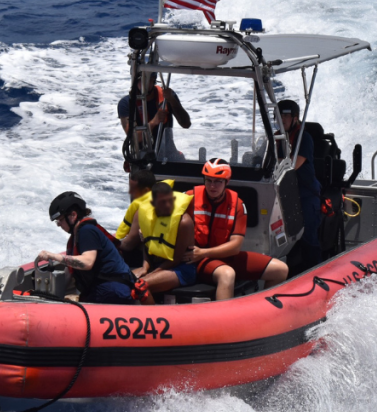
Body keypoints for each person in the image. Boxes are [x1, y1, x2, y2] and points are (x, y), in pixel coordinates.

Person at [185, 158, 288, 299]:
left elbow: (235, 247)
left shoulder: (237, 205)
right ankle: (223, 320)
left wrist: (204, 252)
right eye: (208, 180)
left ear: (226, 182)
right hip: (197, 259)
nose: (212, 186)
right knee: (227, 274)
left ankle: (260, 311)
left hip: (216, 255)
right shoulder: (188, 198)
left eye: (218, 181)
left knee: (280, 269)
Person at [38, 191, 137, 304]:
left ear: (73, 215)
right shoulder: (76, 237)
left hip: (113, 290)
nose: (58, 224)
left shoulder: (87, 231)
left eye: (60, 219)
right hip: (102, 289)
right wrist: (48, 295)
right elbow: (69, 273)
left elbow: (87, 262)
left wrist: (54, 256)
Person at [121, 182, 196, 304]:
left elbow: (176, 259)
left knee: (141, 286)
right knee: (119, 281)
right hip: (156, 265)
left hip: (181, 269)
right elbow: (148, 245)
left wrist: (151, 274)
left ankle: (154, 320)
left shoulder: (184, 223)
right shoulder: (147, 215)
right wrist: (145, 267)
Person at [277, 99, 323, 276]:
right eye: (279, 116)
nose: (282, 119)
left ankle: (316, 273)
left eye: (286, 115)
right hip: (282, 195)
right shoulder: (274, 138)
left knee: (308, 237)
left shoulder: (304, 138)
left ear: (295, 118)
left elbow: (292, 165)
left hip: (305, 194)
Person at [117, 72, 191, 158]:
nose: (145, 85)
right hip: (142, 157)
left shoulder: (167, 96)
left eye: (148, 80)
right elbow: (134, 138)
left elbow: (186, 124)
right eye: (141, 80)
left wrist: (172, 100)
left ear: (153, 81)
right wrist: (153, 122)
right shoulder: (126, 103)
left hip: (168, 155)